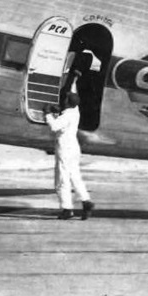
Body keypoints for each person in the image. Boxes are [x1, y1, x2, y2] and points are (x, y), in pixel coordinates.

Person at [44, 92, 95, 220]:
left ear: (67, 102)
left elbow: (54, 126)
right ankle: (86, 200)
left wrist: (47, 114)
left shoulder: (66, 116)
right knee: (75, 176)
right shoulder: (75, 112)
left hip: (64, 148)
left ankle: (67, 208)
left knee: (62, 179)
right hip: (74, 147)